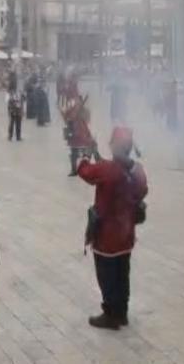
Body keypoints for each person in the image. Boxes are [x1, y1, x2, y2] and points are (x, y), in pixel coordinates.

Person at [76, 126, 148, 330]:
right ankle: (122, 312)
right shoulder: (137, 170)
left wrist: (86, 155)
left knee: (107, 276)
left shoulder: (107, 170)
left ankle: (111, 314)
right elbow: (139, 187)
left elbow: (85, 171)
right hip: (126, 234)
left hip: (107, 234)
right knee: (122, 275)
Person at [62, 96, 96, 177]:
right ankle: (74, 170)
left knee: (85, 153)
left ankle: (86, 169)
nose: (77, 103)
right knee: (73, 153)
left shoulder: (85, 111)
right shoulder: (71, 110)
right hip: (73, 134)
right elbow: (66, 119)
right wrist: (68, 115)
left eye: (78, 101)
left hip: (82, 133)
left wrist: (79, 115)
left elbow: (87, 120)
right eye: (76, 101)